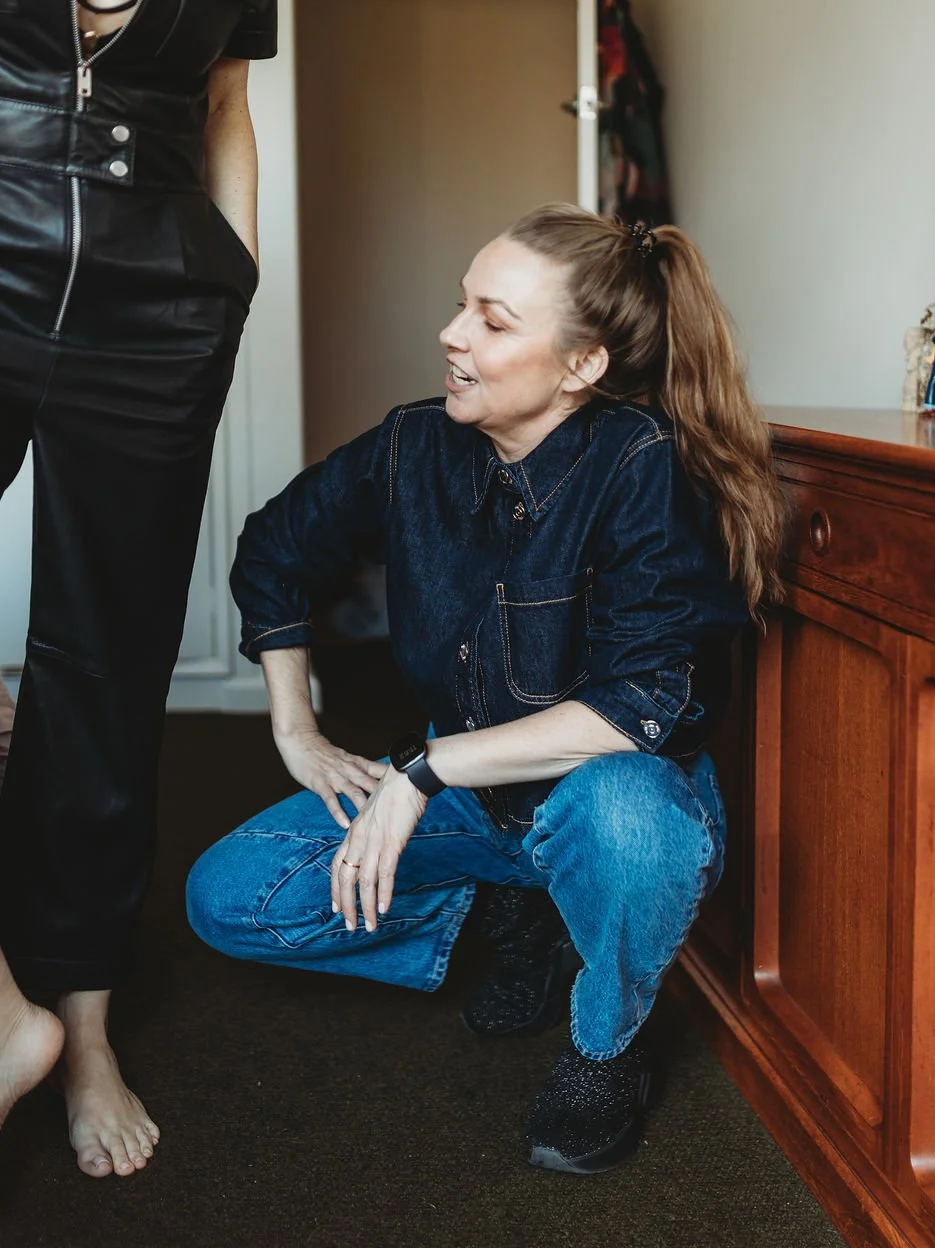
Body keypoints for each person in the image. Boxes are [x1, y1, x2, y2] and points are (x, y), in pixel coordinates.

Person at [188, 204, 785, 1174]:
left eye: (492, 320)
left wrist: (421, 772)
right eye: (461, 305)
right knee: (228, 899)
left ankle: (607, 1044)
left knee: (633, 825)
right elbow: (273, 552)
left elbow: (636, 708)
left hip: (608, 799)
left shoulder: (643, 467)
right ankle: (514, 908)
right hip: (473, 803)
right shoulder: (413, 445)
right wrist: (297, 729)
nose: (451, 334)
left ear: (582, 364)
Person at [0, 0, 327, 1175]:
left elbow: (226, 109)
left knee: (103, 671)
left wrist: (227, 300)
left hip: (157, 304)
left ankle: (81, 1027)